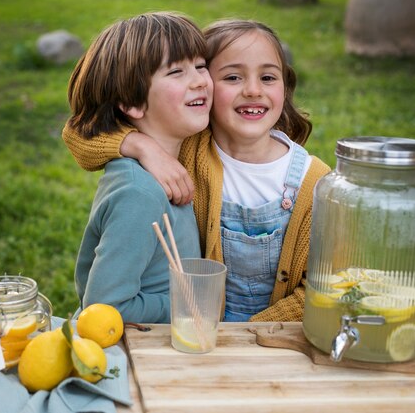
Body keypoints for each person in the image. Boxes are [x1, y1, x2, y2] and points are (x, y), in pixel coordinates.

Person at [62, 19, 331, 322]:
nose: (254, 89)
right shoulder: (190, 148)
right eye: (231, 77)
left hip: (264, 341)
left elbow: (324, 287)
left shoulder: (315, 182)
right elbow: (81, 134)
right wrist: (140, 145)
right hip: (191, 335)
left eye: (268, 77)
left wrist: (243, 339)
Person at [67, 12, 213, 323]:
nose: (200, 80)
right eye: (176, 72)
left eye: (201, 66)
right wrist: (188, 305)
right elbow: (105, 309)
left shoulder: (184, 149)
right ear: (132, 103)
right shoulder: (140, 193)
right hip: (141, 357)